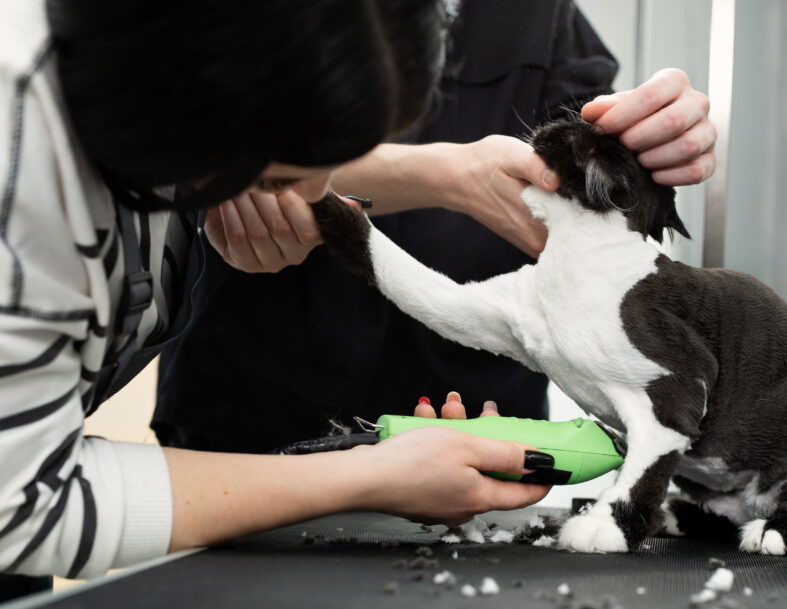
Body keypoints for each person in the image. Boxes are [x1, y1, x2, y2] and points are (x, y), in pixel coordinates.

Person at [0, 0, 556, 599]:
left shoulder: (173, 101)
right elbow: (24, 503)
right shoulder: (19, 152)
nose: (317, 197)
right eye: (274, 181)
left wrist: (453, 175)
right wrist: (371, 477)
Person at [152, 0, 718, 455]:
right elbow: (201, 149)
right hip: (253, 415)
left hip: (475, 429)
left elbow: (605, 196)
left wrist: (643, 147)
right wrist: (448, 175)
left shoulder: (546, 22)